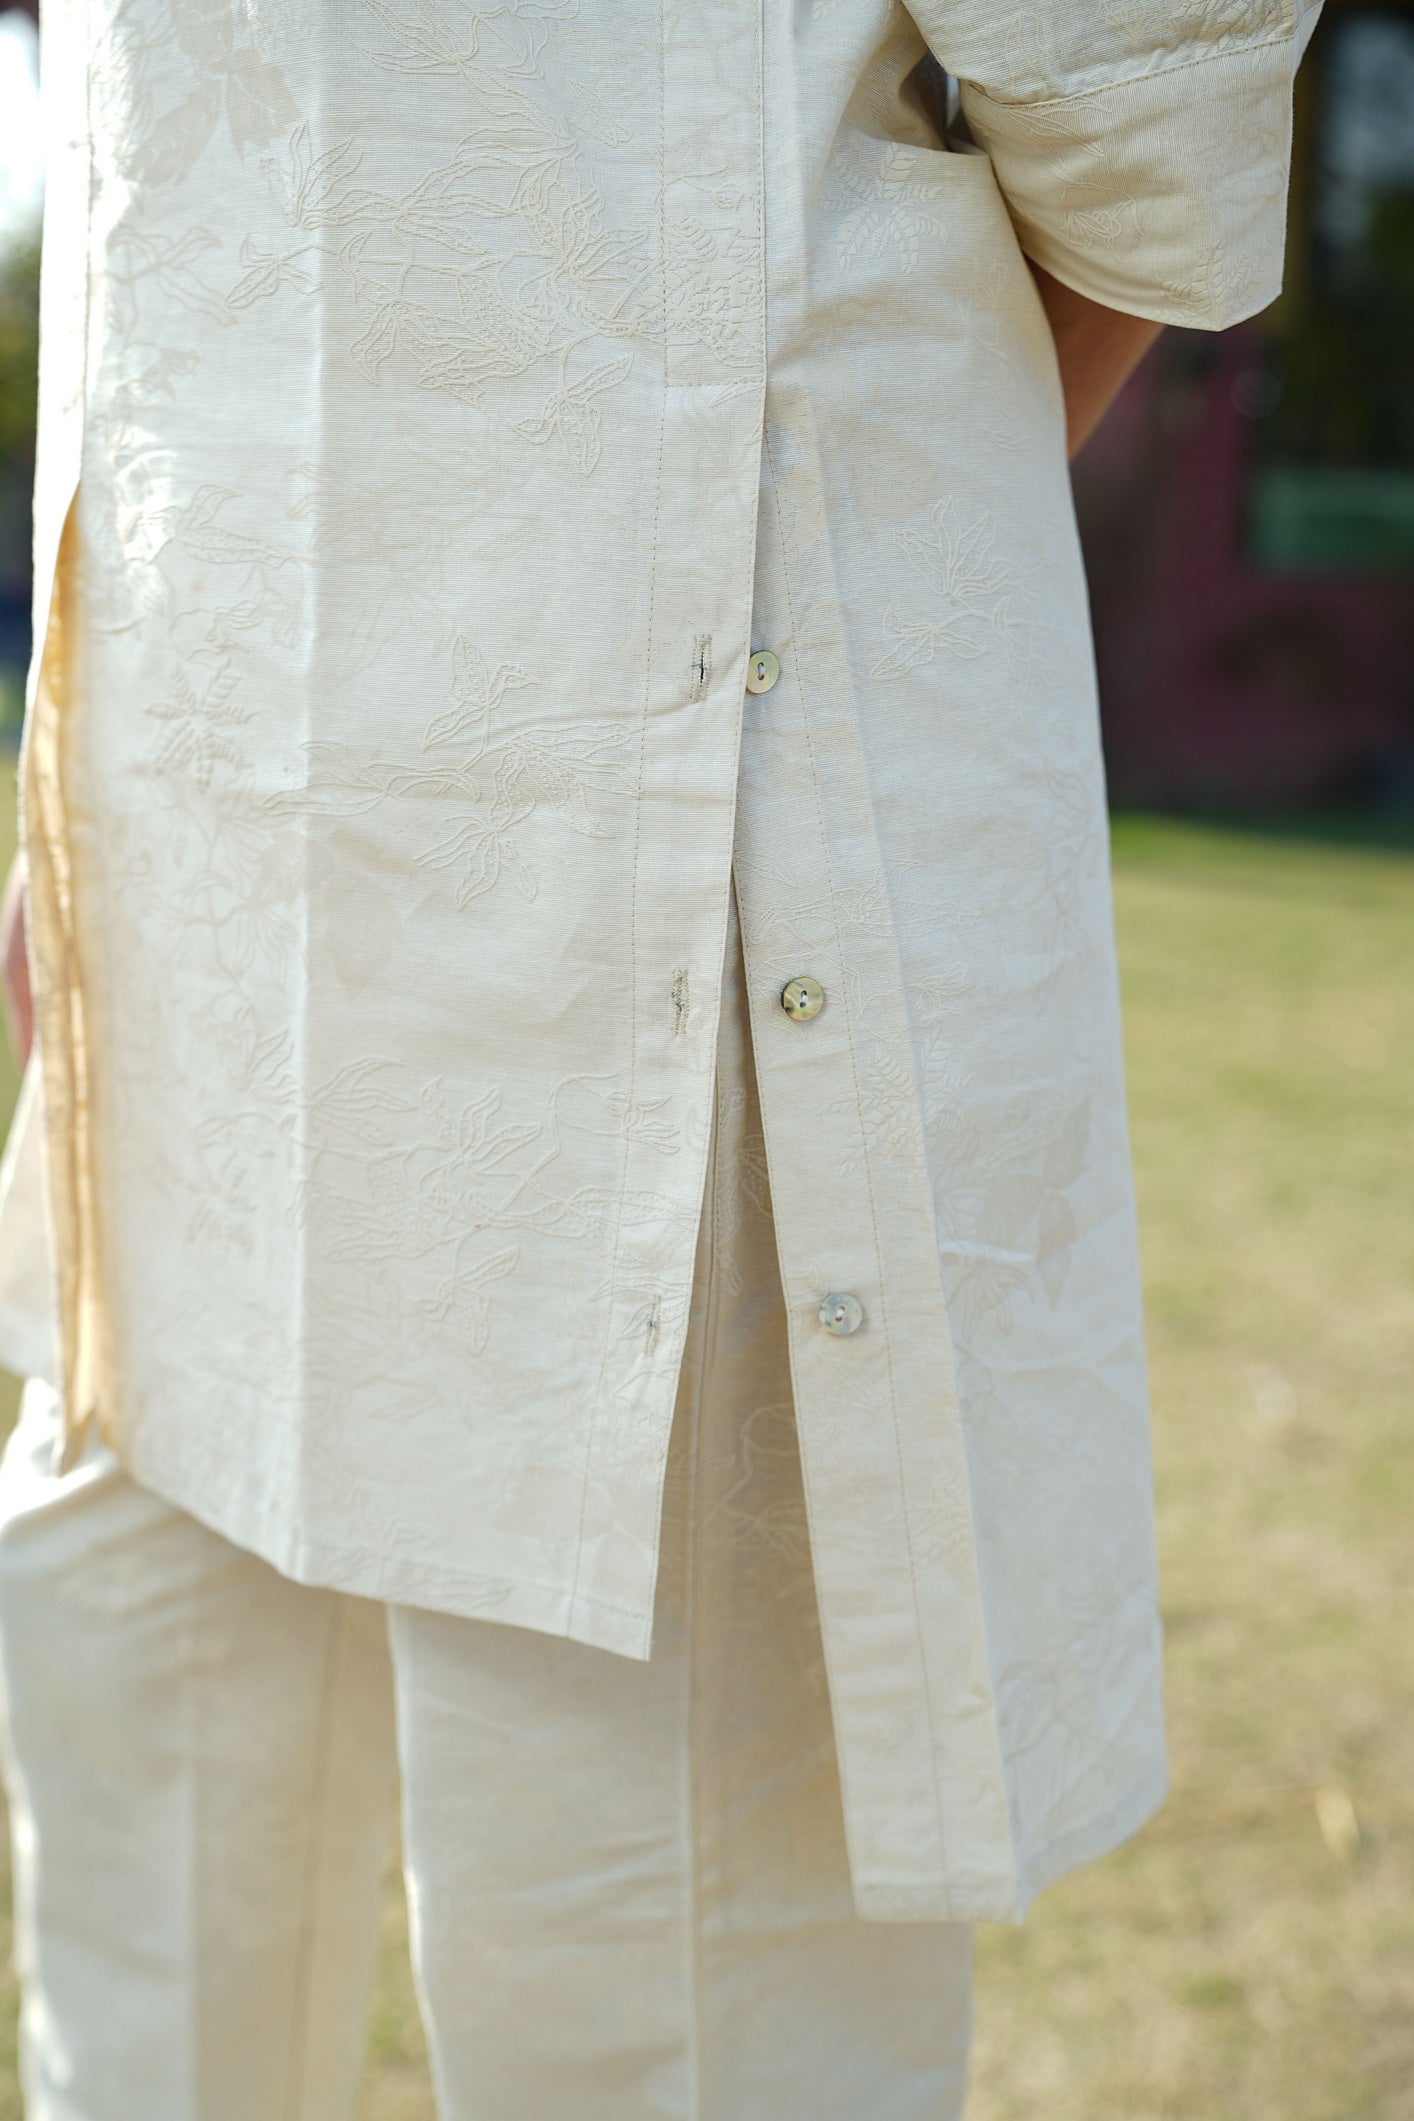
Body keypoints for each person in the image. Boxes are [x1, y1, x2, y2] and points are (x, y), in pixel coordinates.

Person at [0, 4, 1318, 2117]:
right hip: (188, 836)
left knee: (659, 1948)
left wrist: (734, 541)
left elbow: (1140, 92)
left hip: (652, 842)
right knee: (160, 1880)